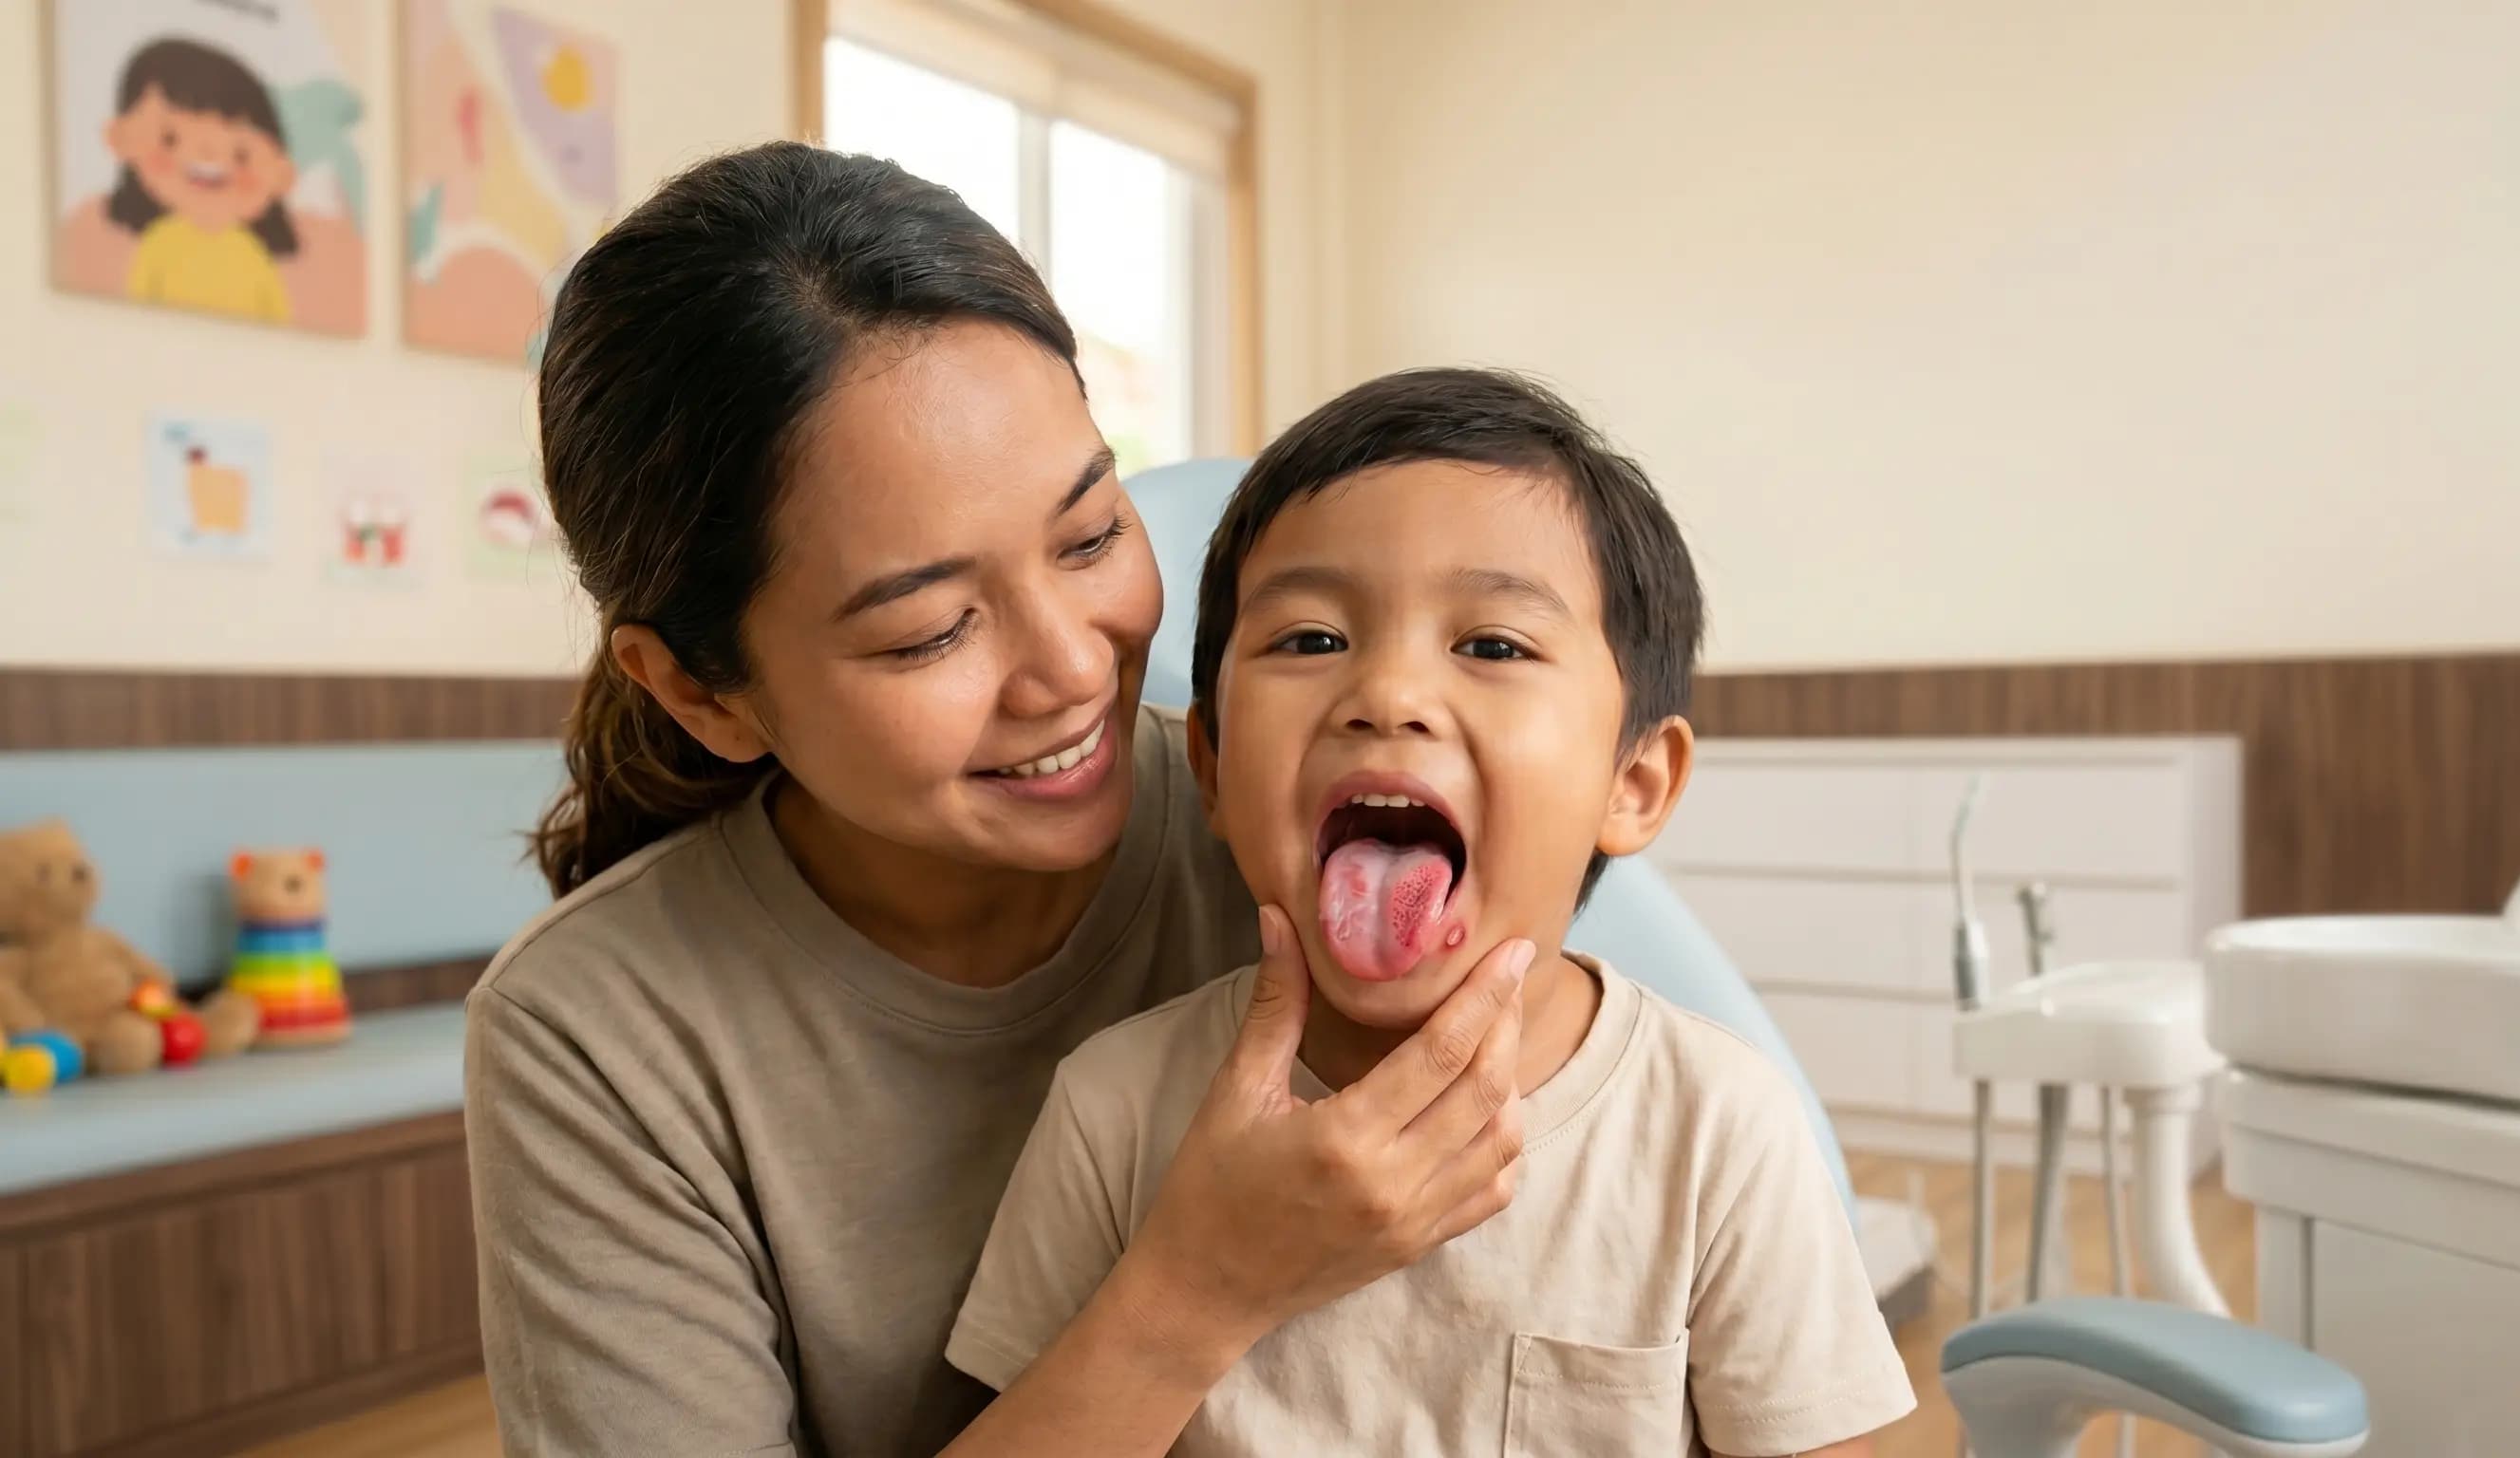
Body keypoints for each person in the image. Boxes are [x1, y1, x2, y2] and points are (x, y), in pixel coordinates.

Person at [464, 143, 1535, 1457]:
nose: (1075, 666)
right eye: (927, 630)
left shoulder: (1309, 831)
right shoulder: (595, 1035)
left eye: (1092, 535)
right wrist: (1197, 1292)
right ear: (701, 691)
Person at [948, 369, 1915, 1455]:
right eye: (1311, 640)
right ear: (1209, 766)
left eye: (1492, 645)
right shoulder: (1115, 1113)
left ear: (1631, 784)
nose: (1389, 694)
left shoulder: (1715, 1131)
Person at [102, 37, 299, 323]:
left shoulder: (253, 256)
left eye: (240, 154)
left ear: (282, 175)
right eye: (171, 139)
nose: (208, 155)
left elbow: (279, 321)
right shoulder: (161, 243)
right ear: (121, 139)